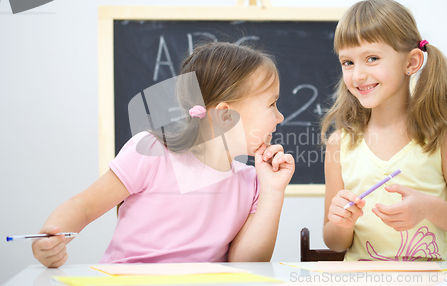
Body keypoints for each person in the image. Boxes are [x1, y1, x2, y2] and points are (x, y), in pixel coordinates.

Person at [32, 42, 294, 267]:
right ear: (226, 115)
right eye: (272, 104)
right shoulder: (151, 152)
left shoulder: (252, 181)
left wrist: (273, 192)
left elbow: (246, 265)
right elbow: (85, 206)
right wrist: (52, 235)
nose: (280, 116)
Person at [320, 0, 447, 261]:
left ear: (411, 62)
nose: (358, 75)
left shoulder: (444, 136)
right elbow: (335, 242)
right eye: (348, 62)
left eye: (372, 58)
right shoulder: (339, 144)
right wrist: (342, 222)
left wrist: (430, 208)